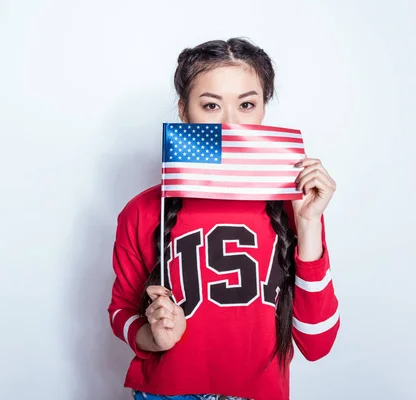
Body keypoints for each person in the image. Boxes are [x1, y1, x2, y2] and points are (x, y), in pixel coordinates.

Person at [107, 38, 340, 400]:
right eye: (211, 105)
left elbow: (316, 343)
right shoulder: (143, 210)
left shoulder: (294, 210)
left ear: (264, 110)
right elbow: (121, 310)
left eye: (247, 104)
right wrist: (150, 335)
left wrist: (309, 225)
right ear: (184, 112)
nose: (231, 123)